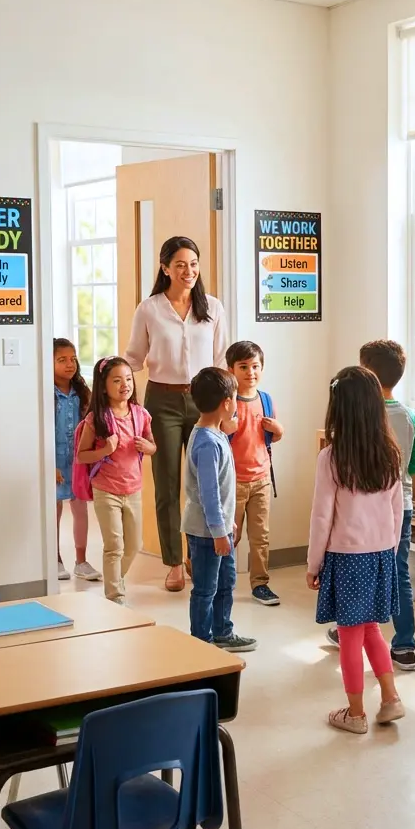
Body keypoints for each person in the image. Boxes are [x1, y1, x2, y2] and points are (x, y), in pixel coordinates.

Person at [125, 236, 228, 593]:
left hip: (204, 401)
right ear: (165, 268)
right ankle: (173, 563)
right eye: (180, 264)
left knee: (205, 484)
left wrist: (228, 408)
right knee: (168, 485)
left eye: (194, 264)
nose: (189, 271)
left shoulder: (212, 307)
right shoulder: (149, 309)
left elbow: (220, 361)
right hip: (162, 402)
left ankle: (197, 554)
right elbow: (134, 358)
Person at [308, 366, 405, 734]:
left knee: (349, 634)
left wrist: (313, 564)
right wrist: (388, 552)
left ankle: (356, 713)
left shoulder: (331, 458)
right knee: (371, 631)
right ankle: (391, 698)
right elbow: (397, 511)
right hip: (381, 554)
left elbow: (321, 517)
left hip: (347, 557)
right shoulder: (390, 454)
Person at [325, 340, 415, 671]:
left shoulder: (358, 414)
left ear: (365, 371)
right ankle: (404, 645)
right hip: (401, 506)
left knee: (358, 570)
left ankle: (352, 629)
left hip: (360, 509)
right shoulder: (409, 417)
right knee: (398, 572)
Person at [182, 367, 256, 653]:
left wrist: (229, 525)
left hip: (220, 528)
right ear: (227, 402)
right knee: (205, 589)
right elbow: (209, 495)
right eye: (235, 399)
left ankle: (223, 631)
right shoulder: (206, 442)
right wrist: (218, 532)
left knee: (226, 582)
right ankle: (201, 642)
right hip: (206, 532)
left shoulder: (216, 434)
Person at [75, 357, 156, 604]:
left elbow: (153, 446)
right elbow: (81, 456)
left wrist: (148, 446)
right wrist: (104, 451)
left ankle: (115, 579)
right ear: (103, 386)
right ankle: (114, 597)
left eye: (129, 379)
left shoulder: (141, 415)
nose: (125, 385)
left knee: (134, 544)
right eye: (117, 380)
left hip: (132, 489)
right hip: (105, 490)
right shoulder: (96, 419)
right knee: (114, 545)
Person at [224, 340, 285, 606]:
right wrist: (229, 426)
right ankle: (221, 579)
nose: (250, 372)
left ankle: (260, 584)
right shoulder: (228, 403)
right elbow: (217, 436)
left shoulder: (266, 400)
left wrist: (279, 430)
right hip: (233, 481)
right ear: (231, 370)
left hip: (261, 479)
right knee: (230, 536)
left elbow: (272, 437)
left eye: (255, 366)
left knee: (260, 536)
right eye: (244, 366)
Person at [53, 338, 100, 582]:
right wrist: (49, 464)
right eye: (62, 360)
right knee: (54, 511)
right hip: (55, 463)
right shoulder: (45, 394)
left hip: (78, 461)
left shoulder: (81, 393)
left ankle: (81, 561)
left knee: (80, 509)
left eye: (73, 359)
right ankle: (55, 559)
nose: (70, 364)